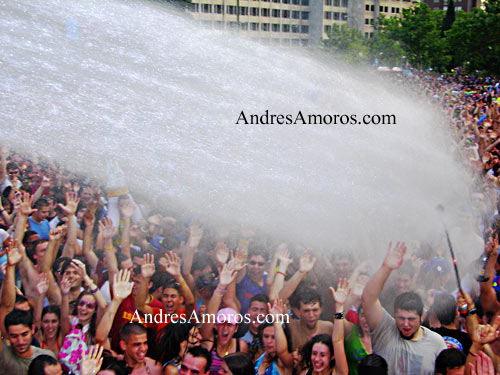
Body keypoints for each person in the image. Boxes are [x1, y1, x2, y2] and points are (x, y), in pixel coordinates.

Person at [361, 242, 447, 375]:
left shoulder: (436, 343)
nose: (405, 324)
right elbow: (368, 299)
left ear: (422, 317)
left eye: (411, 319)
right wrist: (386, 268)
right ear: (394, 316)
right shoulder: (385, 329)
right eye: (401, 318)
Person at [0, 309, 57, 374]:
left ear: (32, 329)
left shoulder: (47, 357)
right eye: (14, 336)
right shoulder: (3, 354)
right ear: (7, 335)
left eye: (24, 334)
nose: (20, 341)